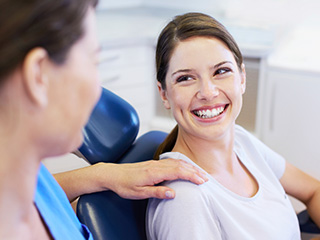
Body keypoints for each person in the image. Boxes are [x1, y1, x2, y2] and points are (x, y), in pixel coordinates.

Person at [0, 1, 209, 239]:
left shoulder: (28, 176)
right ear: (38, 76)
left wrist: (102, 175)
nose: (98, 93)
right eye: (93, 62)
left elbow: (46, 192)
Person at [146, 12, 320, 240]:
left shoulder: (242, 142)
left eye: (221, 71)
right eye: (186, 78)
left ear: (242, 78)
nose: (208, 92)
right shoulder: (184, 200)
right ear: (164, 94)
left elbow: (313, 190)